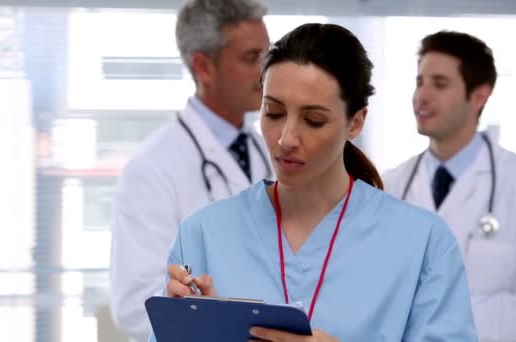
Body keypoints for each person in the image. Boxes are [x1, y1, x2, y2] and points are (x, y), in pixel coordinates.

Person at [156, 23, 477, 341]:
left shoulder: (424, 244)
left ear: (356, 122)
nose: (286, 139)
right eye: (273, 112)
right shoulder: (202, 235)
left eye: (314, 120)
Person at [109, 1, 272, 341]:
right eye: (250, 58)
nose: (266, 70)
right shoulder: (151, 169)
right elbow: (135, 305)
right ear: (204, 67)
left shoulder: (269, 151)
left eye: (268, 55)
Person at [383, 30, 516, 341]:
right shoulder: (391, 185)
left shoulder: (512, 181)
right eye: (419, 82)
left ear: (479, 96)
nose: (422, 96)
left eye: (439, 84)